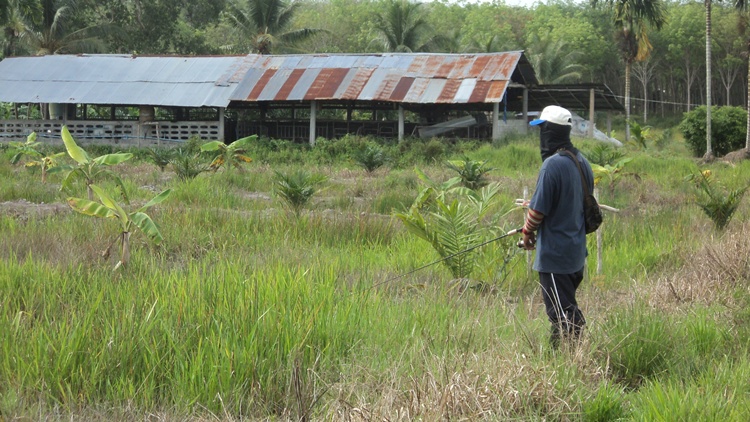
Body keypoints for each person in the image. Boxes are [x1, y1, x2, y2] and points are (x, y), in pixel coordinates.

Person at [520, 105, 594, 349]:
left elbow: (538, 212)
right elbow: (572, 203)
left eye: (542, 129)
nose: (541, 135)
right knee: (562, 308)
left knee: (562, 313)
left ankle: (576, 359)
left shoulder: (552, 165)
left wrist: (527, 233)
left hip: (555, 256)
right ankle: (555, 357)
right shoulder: (581, 162)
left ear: (550, 132)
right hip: (575, 255)